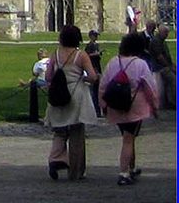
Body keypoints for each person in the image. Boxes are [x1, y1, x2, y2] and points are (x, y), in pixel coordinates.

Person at [99, 30, 161, 186]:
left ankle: (131, 167)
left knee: (128, 137)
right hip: (134, 108)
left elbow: (103, 86)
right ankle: (123, 172)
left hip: (115, 106)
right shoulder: (140, 64)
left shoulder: (114, 62)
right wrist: (155, 106)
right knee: (128, 138)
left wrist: (103, 105)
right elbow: (150, 88)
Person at [42, 25, 95, 180]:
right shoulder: (81, 55)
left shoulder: (56, 54)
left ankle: (55, 159)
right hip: (76, 93)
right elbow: (92, 76)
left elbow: (48, 77)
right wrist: (82, 78)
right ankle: (76, 170)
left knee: (59, 131)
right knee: (77, 133)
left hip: (60, 93)